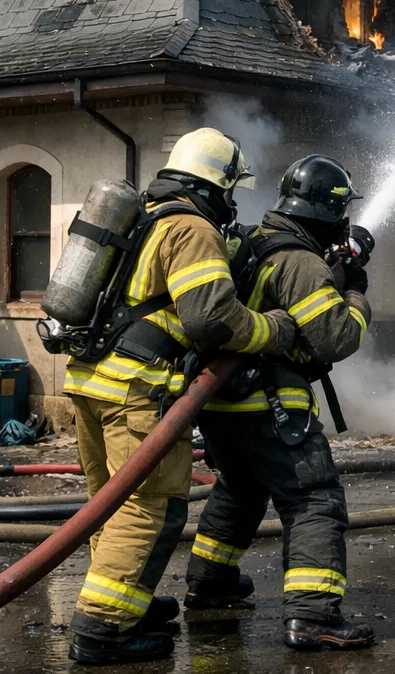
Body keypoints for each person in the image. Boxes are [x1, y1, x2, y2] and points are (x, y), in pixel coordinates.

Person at [65, 128, 298, 666]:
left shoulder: (145, 217)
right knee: (148, 507)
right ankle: (102, 630)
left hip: (90, 381)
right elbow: (212, 319)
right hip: (135, 391)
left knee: (110, 504)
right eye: (231, 190)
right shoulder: (191, 228)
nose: (232, 202)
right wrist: (274, 329)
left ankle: (129, 602)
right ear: (215, 184)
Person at [185, 155, 375, 652]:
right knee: (314, 499)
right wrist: (355, 291)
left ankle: (210, 583)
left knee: (240, 489)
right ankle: (312, 615)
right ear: (330, 211)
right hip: (271, 407)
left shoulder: (254, 240)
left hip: (220, 404)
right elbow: (336, 338)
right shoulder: (300, 263)